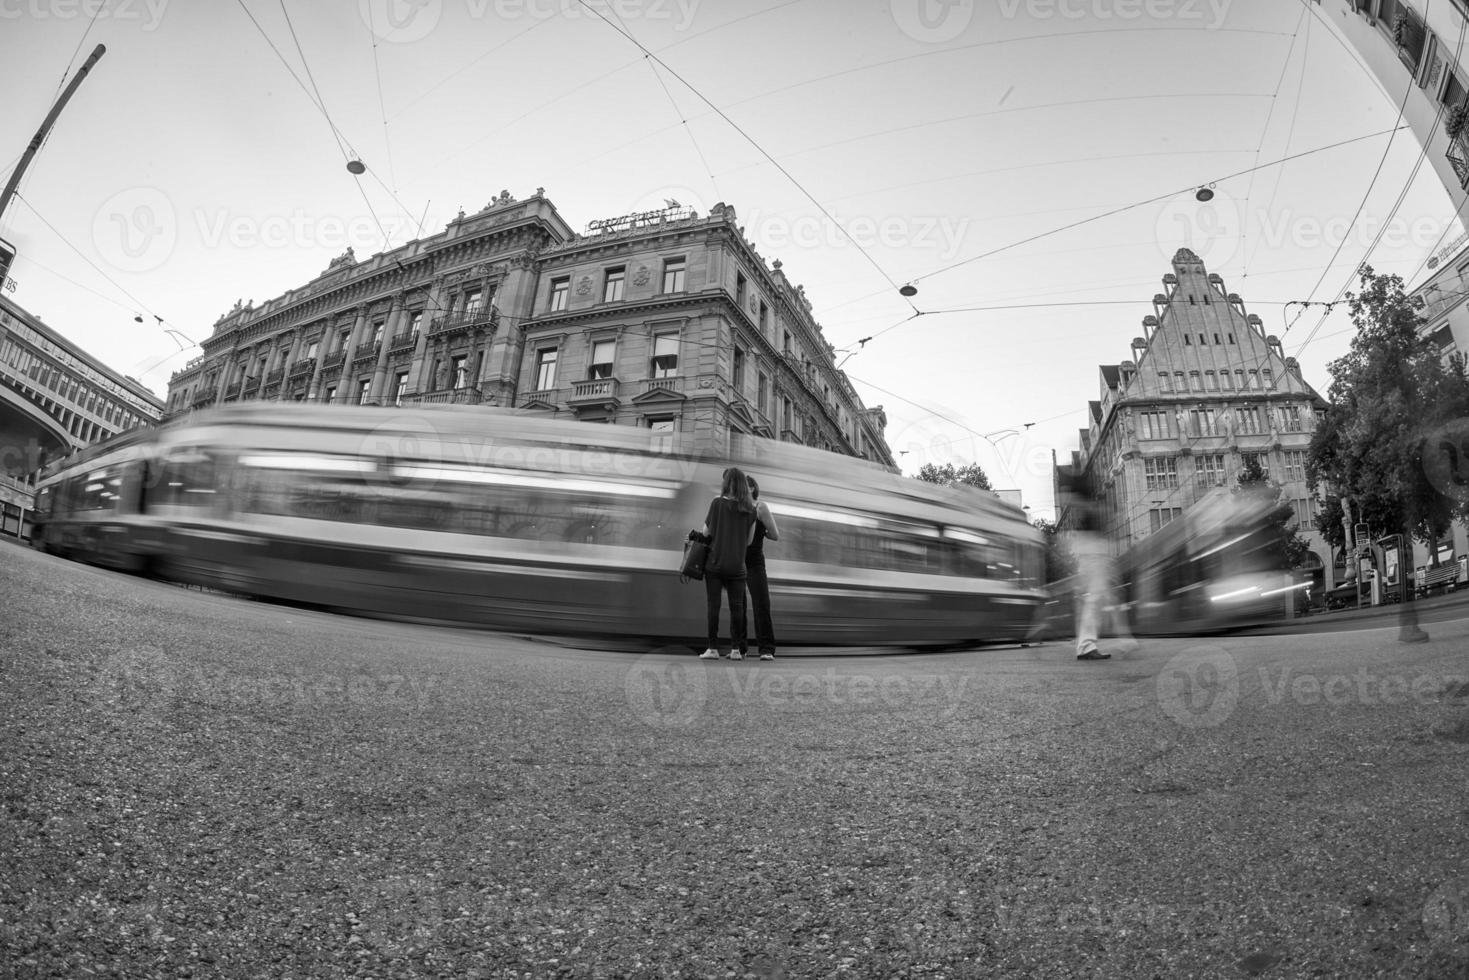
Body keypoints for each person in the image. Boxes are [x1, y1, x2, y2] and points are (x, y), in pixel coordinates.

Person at [1059, 474, 1135, 661]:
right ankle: (1089, 645)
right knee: (1096, 598)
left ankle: (1119, 640)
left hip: (1090, 548)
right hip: (1093, 549)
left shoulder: (1083, 497)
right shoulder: (1085, 498)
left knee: (1101, 597)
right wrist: (1098, 509)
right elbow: (1074, 501)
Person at [697, 467, 759, 660]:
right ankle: (735, 650)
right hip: (738, 566)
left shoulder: (717, 504)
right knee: (737, 608)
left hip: (715, 563)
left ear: (727, 484)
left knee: (713, 606)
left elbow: (705, 533)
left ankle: (713, 649)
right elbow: (749, 542)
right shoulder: (751, 510)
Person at [741, 477, 781, 661]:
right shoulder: (735, 505)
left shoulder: (760, 507)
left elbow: (775, 535)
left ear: (752, 488)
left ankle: (766, 649)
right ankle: (740, 648)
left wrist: (759, 531)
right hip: (738, 560)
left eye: (744, 485)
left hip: (755, 561)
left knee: (761, 604)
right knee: (739, 606)